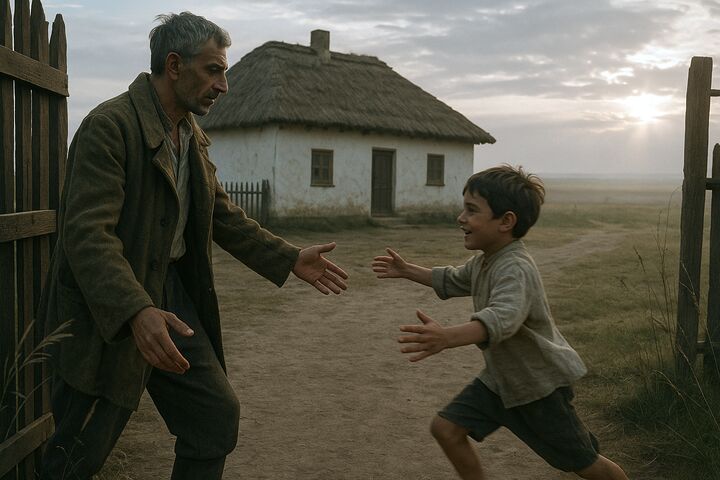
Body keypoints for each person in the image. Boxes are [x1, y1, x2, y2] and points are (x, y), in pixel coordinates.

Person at [37, 11, 348, 480]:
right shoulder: (110, 126)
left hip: (172, 299)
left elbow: (220, 213)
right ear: (174, 65)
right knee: (77, 453)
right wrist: (135, 310)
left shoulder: (190, 135)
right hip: (108, 310)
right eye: (214, 69)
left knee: (213, 417)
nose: (224, 85)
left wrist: (287, 257)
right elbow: (87, 236)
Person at [372, 165, 629, 480]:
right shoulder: (486, 261)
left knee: (586, 464)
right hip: (500, 381)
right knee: (446, 429)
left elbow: (502, 318)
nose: (461, 218)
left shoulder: (515, 268)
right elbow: (454, 279)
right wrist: (407, 270)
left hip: (538, 387)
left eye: (471, 210)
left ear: (506, 221)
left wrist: (447, 337)